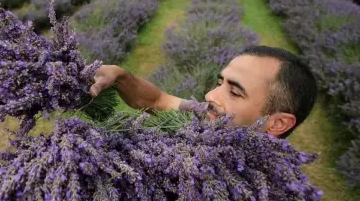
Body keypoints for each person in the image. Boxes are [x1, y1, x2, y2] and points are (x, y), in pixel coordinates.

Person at [90, 45, 318, 138]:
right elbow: (158, 100)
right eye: (221, 83)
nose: (210, 96)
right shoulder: (206, 114)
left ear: (277, 124)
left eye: (235, 92)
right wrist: (120, 76)